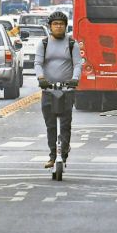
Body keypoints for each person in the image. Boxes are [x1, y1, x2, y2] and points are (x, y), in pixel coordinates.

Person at [35, 11, 83, 169]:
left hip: (66, 91)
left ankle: (64, 152)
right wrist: (41, 78)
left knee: (65, 124)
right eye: (55, 24)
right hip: (48, 90)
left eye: (61, 24)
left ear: (65, 26)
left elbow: (77, 64)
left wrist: (75, 79)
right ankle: (52, 155)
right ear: (50, 26)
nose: (58, 27)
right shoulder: (43, 44)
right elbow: (38, 63)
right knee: (51, 125)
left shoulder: (72, 44)